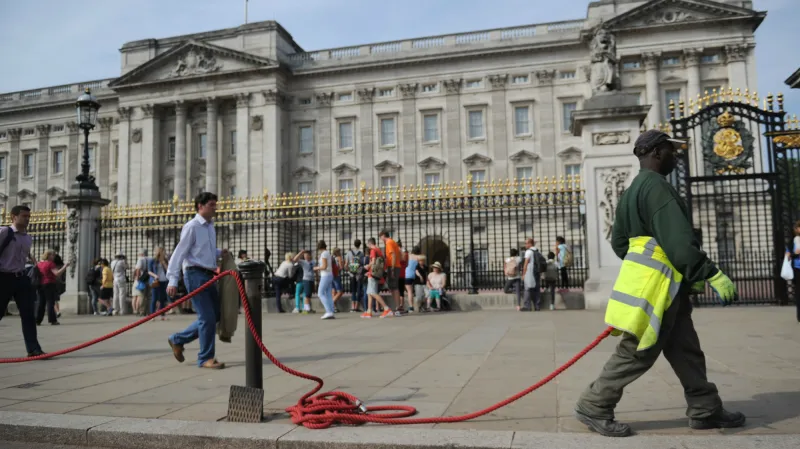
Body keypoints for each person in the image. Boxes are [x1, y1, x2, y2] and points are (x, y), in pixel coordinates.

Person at [574, 129, 743, 437]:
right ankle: (595, 404)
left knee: (685, 348)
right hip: (660, 286)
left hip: (654, 282)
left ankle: (705, 407)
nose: (675, 155)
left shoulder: (632, 189)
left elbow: (619, 242)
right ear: (655, 152)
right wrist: (709, 273)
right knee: (638, 349)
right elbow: (679, 244)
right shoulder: (658, 188)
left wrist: (646, 259)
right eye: (671, 150)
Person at [166, 192, 227, 370]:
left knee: (214, 315)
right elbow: (180, 253)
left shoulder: (210, 227)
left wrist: (218, 253)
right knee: (207, 317)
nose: (215, 208)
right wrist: (172, 279)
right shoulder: (192, 226)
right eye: (211, 204)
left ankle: (177, 339)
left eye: (215, 204)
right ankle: (205, 358)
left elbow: (201, 250)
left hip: (208, 274)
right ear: (200, 206)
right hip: (194, 274)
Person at [0, 205, 46, 358]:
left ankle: (33, 349)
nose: (27, 219)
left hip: (21, 278)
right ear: (14, 217)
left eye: (28, 216)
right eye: (24, 216)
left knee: (28, 314)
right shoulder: (4, 232)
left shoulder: (27, 237)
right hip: (4, 278)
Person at [36, 249, 69, 325]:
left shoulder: (40, 263)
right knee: (50, 302)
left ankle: (38, 320)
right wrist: (65, 266)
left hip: (40, 284)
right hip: (49, 284)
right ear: (49, 255)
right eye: (53, 254)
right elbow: (57, 273)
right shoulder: (51, 264)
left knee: (41, 302)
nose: (54, 256)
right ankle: (52, 320)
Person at [361, 238, 393, 318]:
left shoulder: (373, 250)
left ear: (369, 244)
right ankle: (369, 311)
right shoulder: (378, 250)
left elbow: (373, 261)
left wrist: (367, 266)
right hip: (376, 273)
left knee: (372, 292)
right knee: (369, 293)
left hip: (372, 273)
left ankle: (386, 308)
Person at [379, 230, 402, 313]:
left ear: (384, 235)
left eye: (381, 237)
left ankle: (398, 308)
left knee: (394, 288)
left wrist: (392, 268)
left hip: (393, 267)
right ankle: (397, 307)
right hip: (395, 266)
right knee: (393, 287)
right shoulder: (393, 242)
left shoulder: (388, 242)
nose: (381, 239)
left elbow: (393, 255)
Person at [314, 240, 335, 320]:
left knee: (320, 293)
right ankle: (331, 311)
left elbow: (324, 266)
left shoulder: (323, 254)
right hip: (330, 275)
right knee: (328, 294)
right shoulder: (327, 253)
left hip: (325, 275)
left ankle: (328, 311)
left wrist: (316, 268)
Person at [148, 247, 170, 320]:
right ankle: (152, 315)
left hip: (164, 280)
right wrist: (155, 275)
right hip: (156, 281)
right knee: (154, 298)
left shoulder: (165, 260)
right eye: (163, 252)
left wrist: (164, 263)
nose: (164, 253)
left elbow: (168, 270)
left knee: (162, 298)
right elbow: (149, 271)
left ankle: (162, 315)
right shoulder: (153, 260)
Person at [521, 238, 542, 311]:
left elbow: (526, 263)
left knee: (527, 289)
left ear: (530, 244)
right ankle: (537, 306)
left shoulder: (528, 252)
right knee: (537, 289)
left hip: (530, 272)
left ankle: (527, 306)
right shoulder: (536, 250)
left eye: (526, 243)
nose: (525, 245)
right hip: (537, 272)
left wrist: (523, 274)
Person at [292, 250, 316, 314]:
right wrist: (300, 253)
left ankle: (307, 308)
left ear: (310, 255)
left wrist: (317, 279)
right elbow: (295, 259)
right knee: (307, 294)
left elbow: (315, 271)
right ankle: (306, 309)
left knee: (309, 294)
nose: (305, 257)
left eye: (307, 255)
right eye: (304, 256)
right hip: (306, 279)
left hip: (312, 279)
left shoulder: (313, 262)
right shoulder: (303, 262)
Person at [786, 220, 800, 322]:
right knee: (798, 293)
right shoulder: (793, 241)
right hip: (797, 269)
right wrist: (792, 254)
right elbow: (789, 254)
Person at [345, 240, 364, 312]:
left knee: (353, 290)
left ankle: (352, 307)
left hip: (351, 274)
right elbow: (362, 264)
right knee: (358, 290)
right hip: (359, 274)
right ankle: (357, 306)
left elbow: (346, 264)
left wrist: (348, 270)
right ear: (360, 245)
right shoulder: (361, 254)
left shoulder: (349, 253)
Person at [404, 246, 423, 312]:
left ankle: (411, 306)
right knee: (410, 291)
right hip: (412, 275)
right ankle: (411, 305)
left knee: (409, 291)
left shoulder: (409, 255)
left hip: (407, 274)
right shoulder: (417, 257)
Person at [132, 249, 150, 316]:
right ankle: (148, 310)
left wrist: (137, 277)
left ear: (141, 254)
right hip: (148, 279)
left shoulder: (140, 259)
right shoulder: (150, 259)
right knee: (148, 296)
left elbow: (138, 269)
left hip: (142, 279)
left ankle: (142, 311)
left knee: (142, 296)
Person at [331, 248, 345, 312]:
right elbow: (341, 267)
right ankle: (331, 304)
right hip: (337, 275)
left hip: (331, 275)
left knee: (334, 291)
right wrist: (343, 263)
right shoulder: (339, 257)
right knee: (340, 292)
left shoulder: (331, 257)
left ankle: (334, 307)